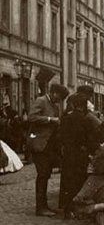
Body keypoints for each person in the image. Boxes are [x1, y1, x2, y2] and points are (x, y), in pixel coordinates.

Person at [28, 83, 70, 216]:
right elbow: (31, 117)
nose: (60, 101)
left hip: (49, 146)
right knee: (42, 174)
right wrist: (50, 119)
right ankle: (40, 208)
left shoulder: (54, 105)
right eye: (60, 97)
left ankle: (44, 205)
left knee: (46, 174)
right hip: (39, 144)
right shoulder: (41, 101)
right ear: (54, 93)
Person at [58, 94, 101, 219]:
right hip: (80, 154)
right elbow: (89, 139)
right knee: (78, 182)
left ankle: (67, 209)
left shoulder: (65, 118)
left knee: (67, 181)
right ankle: (78, 209)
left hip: (67, 154)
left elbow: (60, 136)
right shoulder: (85, 120)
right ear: (82, 106)